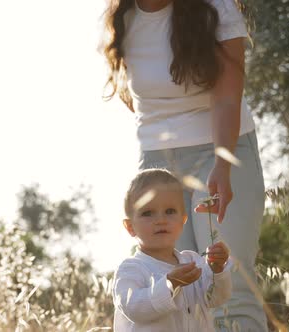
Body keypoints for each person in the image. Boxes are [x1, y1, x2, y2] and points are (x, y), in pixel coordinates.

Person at [102, 0, 268, 330]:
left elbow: (227, 97)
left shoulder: (216, 8)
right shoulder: (123, 17)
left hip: (221, 151)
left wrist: (223, 164)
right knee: (171, 287)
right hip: (156, 163)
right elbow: (137, 98)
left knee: (229, 283)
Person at [113, 168, 232, 332]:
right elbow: (133, 308)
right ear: (130, 227)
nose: (160, 220)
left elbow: (216, 299)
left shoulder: (192, 261)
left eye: (169, 211)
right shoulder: (131, 269)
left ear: (183, 220)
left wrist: (216, 269)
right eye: (148, 213)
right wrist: (170, 284)